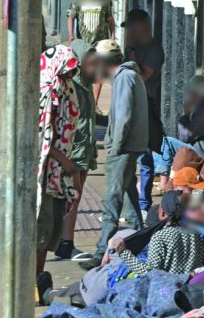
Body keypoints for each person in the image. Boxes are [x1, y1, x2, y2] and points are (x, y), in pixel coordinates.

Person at [82, 39, 149, 271]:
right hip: (129, 146)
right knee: (130, 202)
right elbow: (119, 116)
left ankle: (102, 252)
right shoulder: (130, 76)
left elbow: (124, 117)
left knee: (112, 201)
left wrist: (115, 147)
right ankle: (141, 243)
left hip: (123, 149)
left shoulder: (124, 78)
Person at [36, 45, 81, 275]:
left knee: (49, 231)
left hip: (57, 175)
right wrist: (64, 161)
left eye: (73, 73)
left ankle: (38, 278)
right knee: (41, 231)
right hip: (43, 174)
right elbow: (42, 136)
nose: (69, 78)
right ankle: (32, 281)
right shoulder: (45, 94)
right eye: (66, 73)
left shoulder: (64, 90)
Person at [54, 40, 98, 260]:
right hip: (73, 148)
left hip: (85, 147)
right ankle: (65, 242)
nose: (94, 68)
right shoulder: (71, 86)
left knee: (75, 195)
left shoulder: (87, 85)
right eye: (90, 63)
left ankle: (65, 240)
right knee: (74, 193)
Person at [107, 191, 204, 276]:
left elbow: (150, 272)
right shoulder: (195, 234)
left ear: (162, 212)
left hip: (166, 290)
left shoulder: (160, 237)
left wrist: (124, 253)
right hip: (188, 289)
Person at [123, 9, 166, 219]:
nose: (128, 33)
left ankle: (143, 203)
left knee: (145, 156)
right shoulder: (132, 47)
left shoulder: (153, 50)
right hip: (131, 104)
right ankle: (131, 206)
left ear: (142, 27)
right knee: (130, 156)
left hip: (146, 105)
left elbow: (143, 77)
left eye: (131, 28)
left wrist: (132, 59)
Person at [67, 0, 115, 104]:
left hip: (99, 43)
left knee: (99, 72)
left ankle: (94, 104)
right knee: (83, 72)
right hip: (83, 43)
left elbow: (110, 19)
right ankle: (81, 102)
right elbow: (71, 17)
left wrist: (112, 37)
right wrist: (71, 35)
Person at [177, 74, 204, 158]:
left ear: (195, 94)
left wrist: (186, 115)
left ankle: (161, 171)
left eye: (190, 93)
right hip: (201, 150)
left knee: (167, 144)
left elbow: (184, 137)